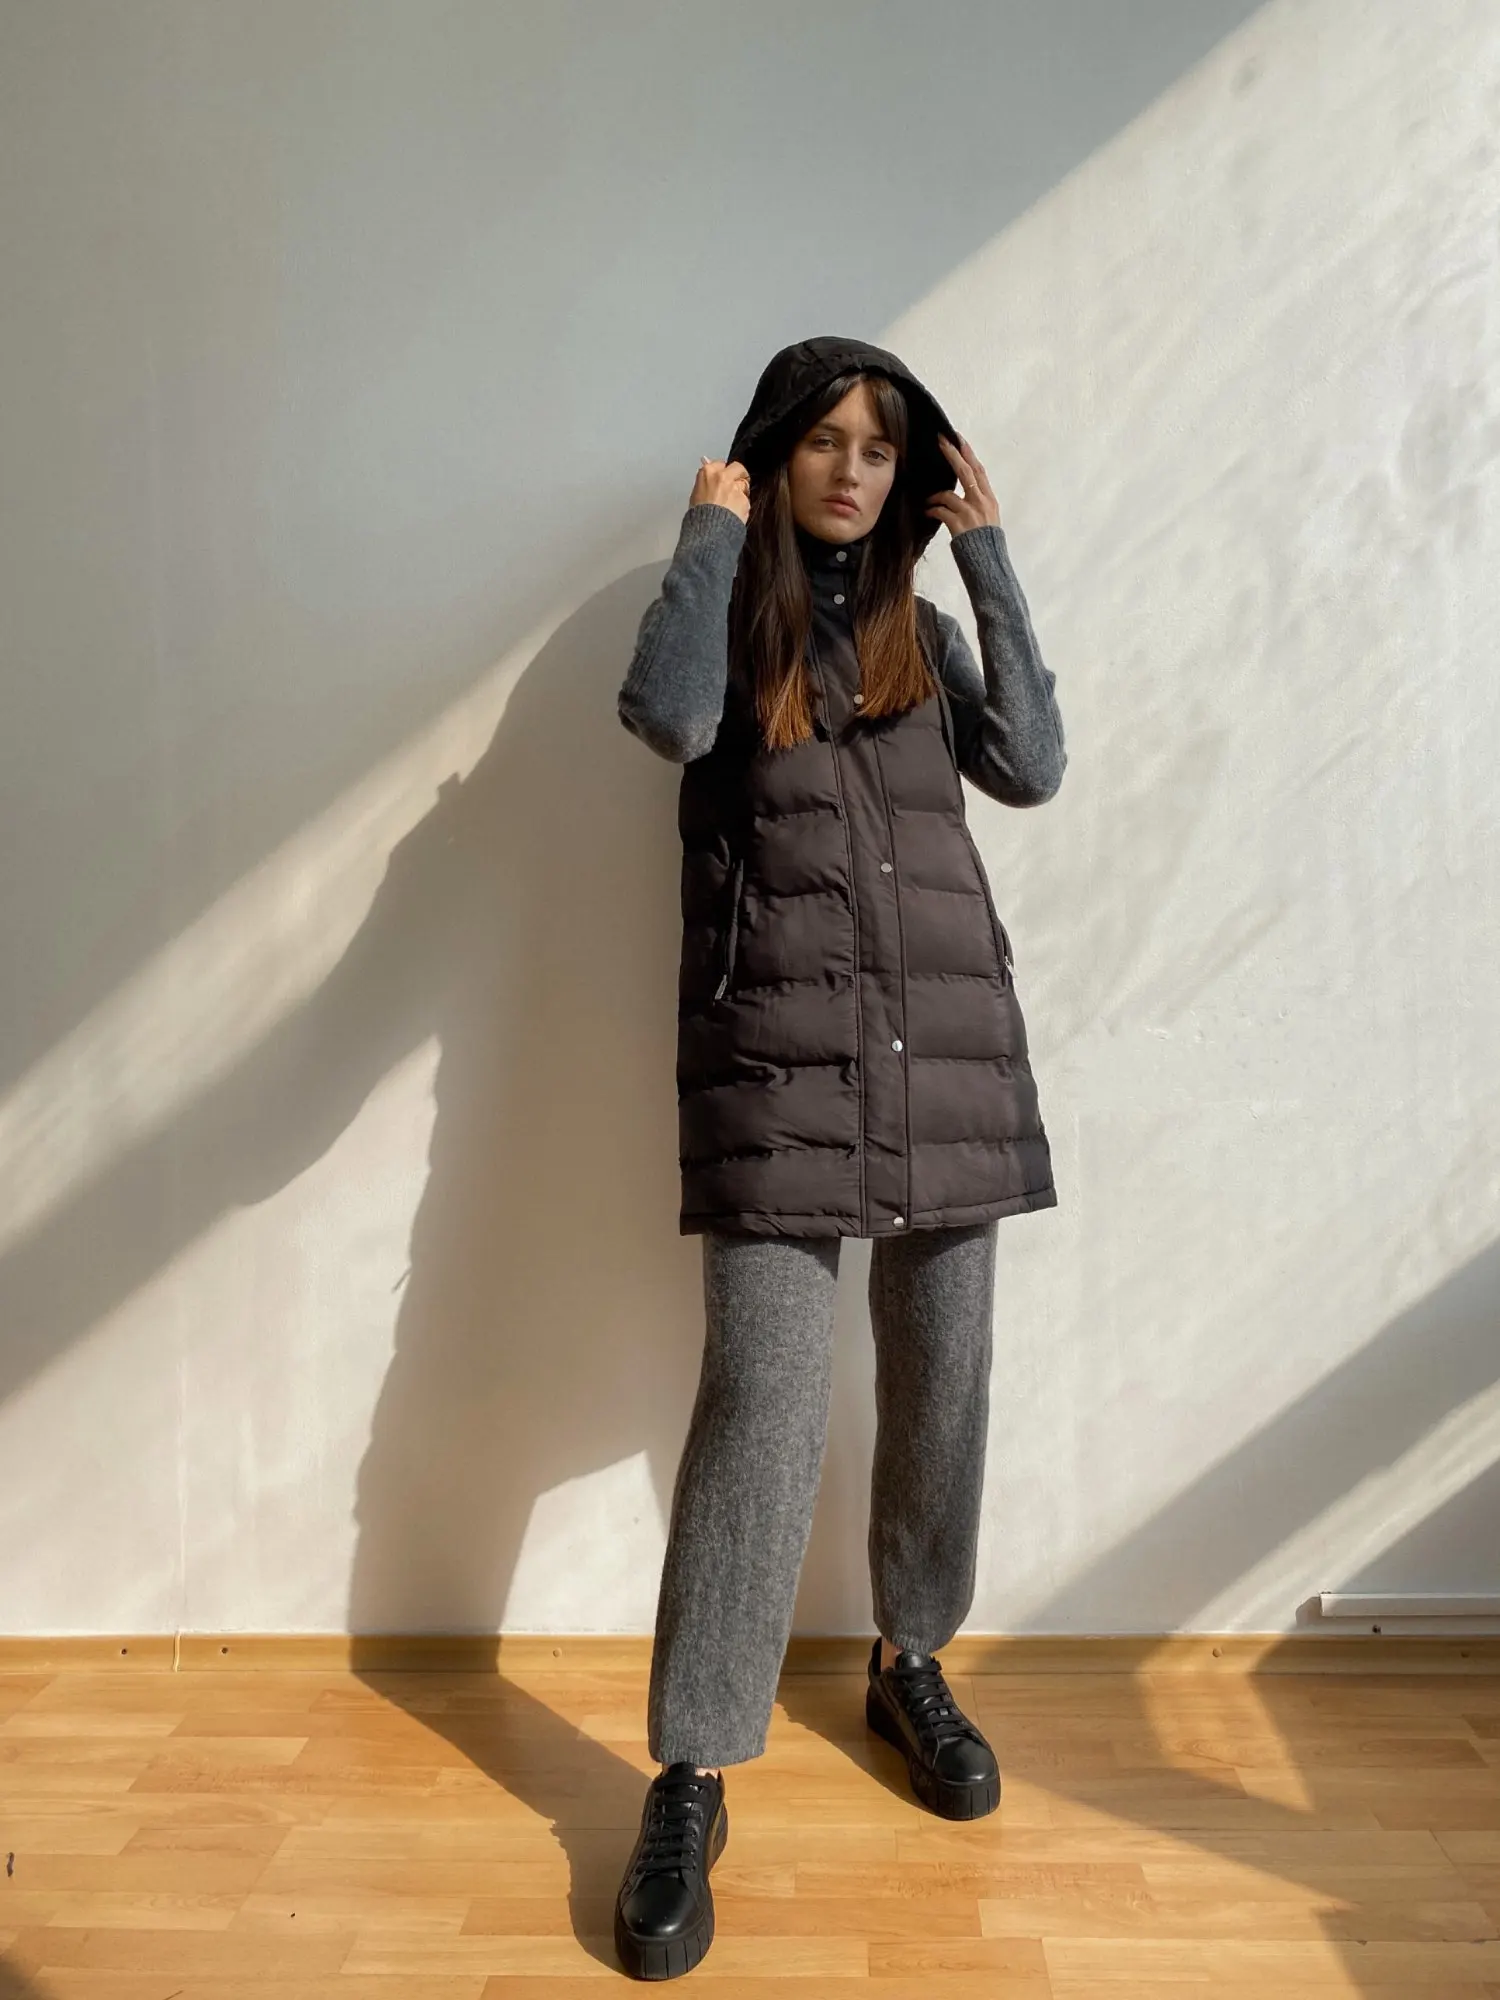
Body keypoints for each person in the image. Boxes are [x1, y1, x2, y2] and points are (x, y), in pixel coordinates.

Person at [611, 335, 1066, 1980]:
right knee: (762, 1411)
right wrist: (707, 531)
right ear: (773, 456)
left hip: (948, 1064)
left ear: (910, 473)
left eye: (880, 447)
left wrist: (990, 561)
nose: (853, 470)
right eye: (824, 441)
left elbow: (1034, 765)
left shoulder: (921, 639)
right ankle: (691, 1770)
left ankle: (908, 1661)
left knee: (944, 1389)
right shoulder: (725, 630)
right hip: (778, 1080)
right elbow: (664, 716)